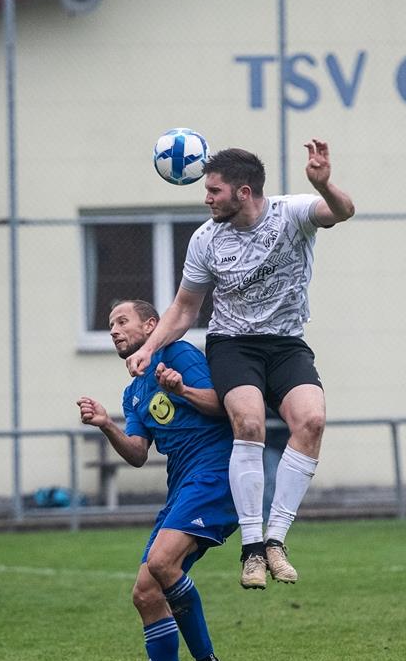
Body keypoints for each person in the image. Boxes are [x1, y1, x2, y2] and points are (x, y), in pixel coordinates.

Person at [125, 139, 355, 590]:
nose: (206, 197)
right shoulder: (206, 240)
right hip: (233, 345)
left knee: (311, 420)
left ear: (244, 191)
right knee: (249, 422)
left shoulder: (293, 213)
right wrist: (150, 346)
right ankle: (251, 548)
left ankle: (275, 541)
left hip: (287, 343)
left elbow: (343, 212)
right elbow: (185, 308)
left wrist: (325, 185)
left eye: (214, 191)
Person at [78, 299, 237, 661]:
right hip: (182, 485)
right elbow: (136, 453)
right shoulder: (134, 392)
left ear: (152, 325)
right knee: (146, 593)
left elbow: (226, 405)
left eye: (122, 321)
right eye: (109, 323)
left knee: (163, 563)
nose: (113, 329)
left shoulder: (179, 353)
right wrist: (108, 424)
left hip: (215, 472)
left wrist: (182, 389)